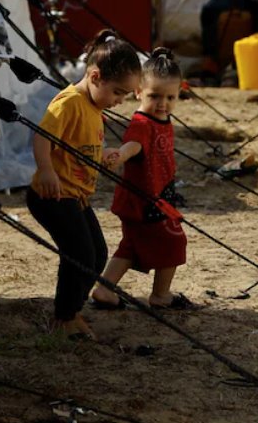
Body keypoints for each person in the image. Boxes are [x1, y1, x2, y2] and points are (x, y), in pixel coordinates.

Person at [26, 29, 142, 340]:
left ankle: (72, 310)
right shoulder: (70, 102)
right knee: (78, 253)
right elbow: (41, 137)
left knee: (98, 254)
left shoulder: (94, 107)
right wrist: (46, 169)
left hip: (76, 195)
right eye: (118, 92)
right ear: (94, 76)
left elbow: (78, 145)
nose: (120, 101)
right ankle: (63, 317)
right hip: (52, 194)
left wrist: (103, 155)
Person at [91, 47, 193, 311]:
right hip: (145, 201)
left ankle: (104, 288)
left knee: (131, 245)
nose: (163, 103)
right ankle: (161, 295)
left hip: (153, 196)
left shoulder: (161, 118)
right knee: (173, 242)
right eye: (154, 96)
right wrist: (121, 156)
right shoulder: (142, 123)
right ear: (137, 92)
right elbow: (134, 144)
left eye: (170, 97)